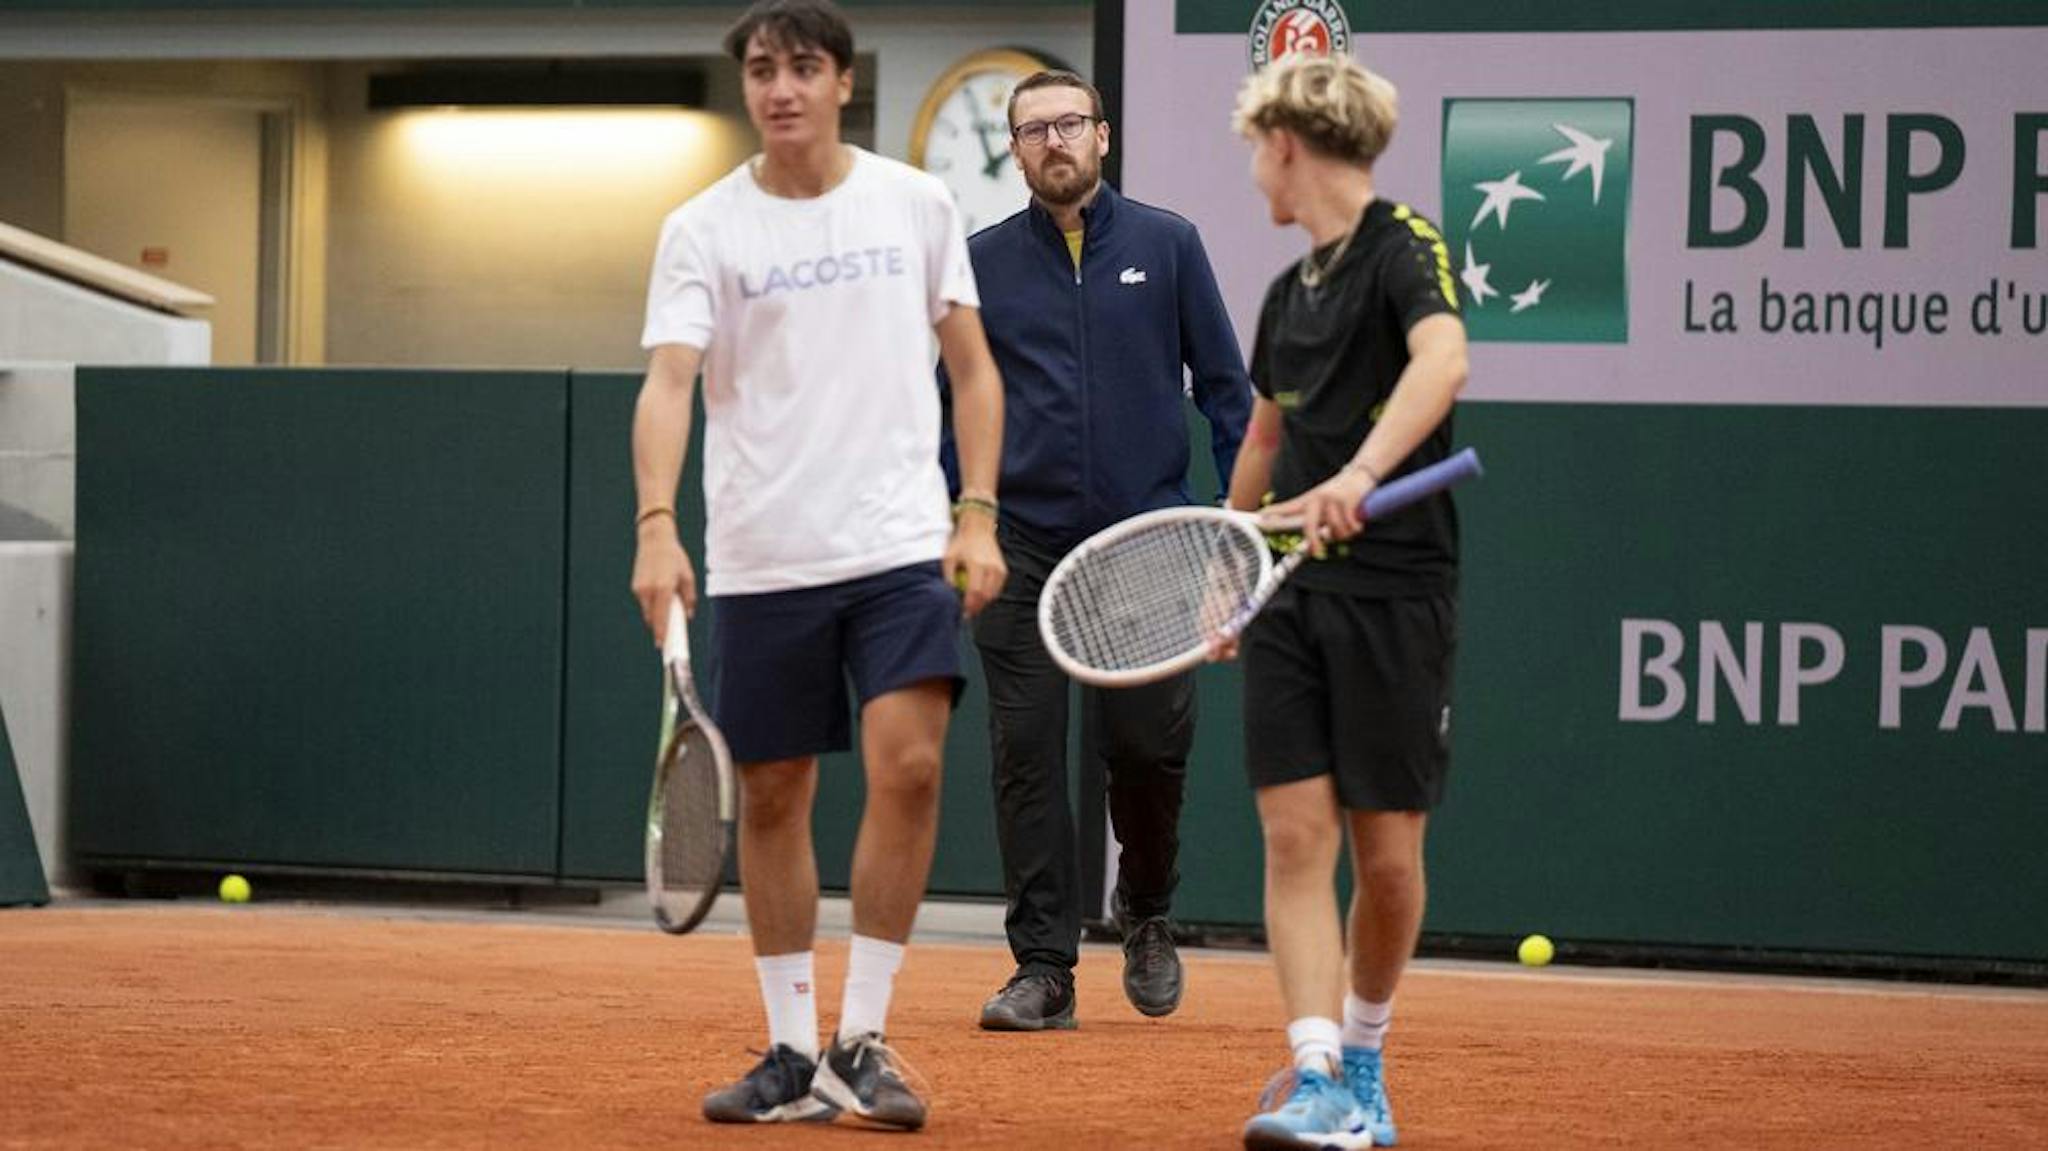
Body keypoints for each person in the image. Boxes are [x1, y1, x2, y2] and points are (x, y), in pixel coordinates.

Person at [629, 0, 1006, 1131]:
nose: (779, 86)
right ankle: (794, 1051)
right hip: (760, 554)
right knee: (773, 793)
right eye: (760, 69)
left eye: (802, 67)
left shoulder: (917, 202)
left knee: (911, 765)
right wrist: (657, 520)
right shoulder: (701, 227)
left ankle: (863, 1036)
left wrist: (975, 509)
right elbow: (668, 382)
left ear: (842, 81)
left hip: (896, 545)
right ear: (745, 88)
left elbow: (975, 375)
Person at [943, 70, 1252, 1032]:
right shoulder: (979, 262)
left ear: (1103, 136)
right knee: (1025, 753)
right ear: (1018, 150)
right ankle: (1043, 966)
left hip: (1148, 543)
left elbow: (1229, 394)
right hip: (1021, 547)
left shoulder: (1169, 245)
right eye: (1032, 130)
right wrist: (968, 515)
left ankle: (1148, 912)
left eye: (1069, 123)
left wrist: (1231, 541)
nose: (1053, 142)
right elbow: (950, 401)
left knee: (1147, 749)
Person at [1221, 53, 1469, 1150]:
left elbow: (1443, 360)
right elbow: (1265, 437)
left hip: (1394, 589)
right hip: (1288, 591)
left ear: (1284, 143)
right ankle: (1316, 1069)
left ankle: (1364, 1063)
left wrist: (1359, 477)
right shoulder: (1284, 292)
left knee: (1386, 858)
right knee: (1291, 836)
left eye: (1254, 154)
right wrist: (1226, 558)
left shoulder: (1400, 246)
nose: (1254, 179)